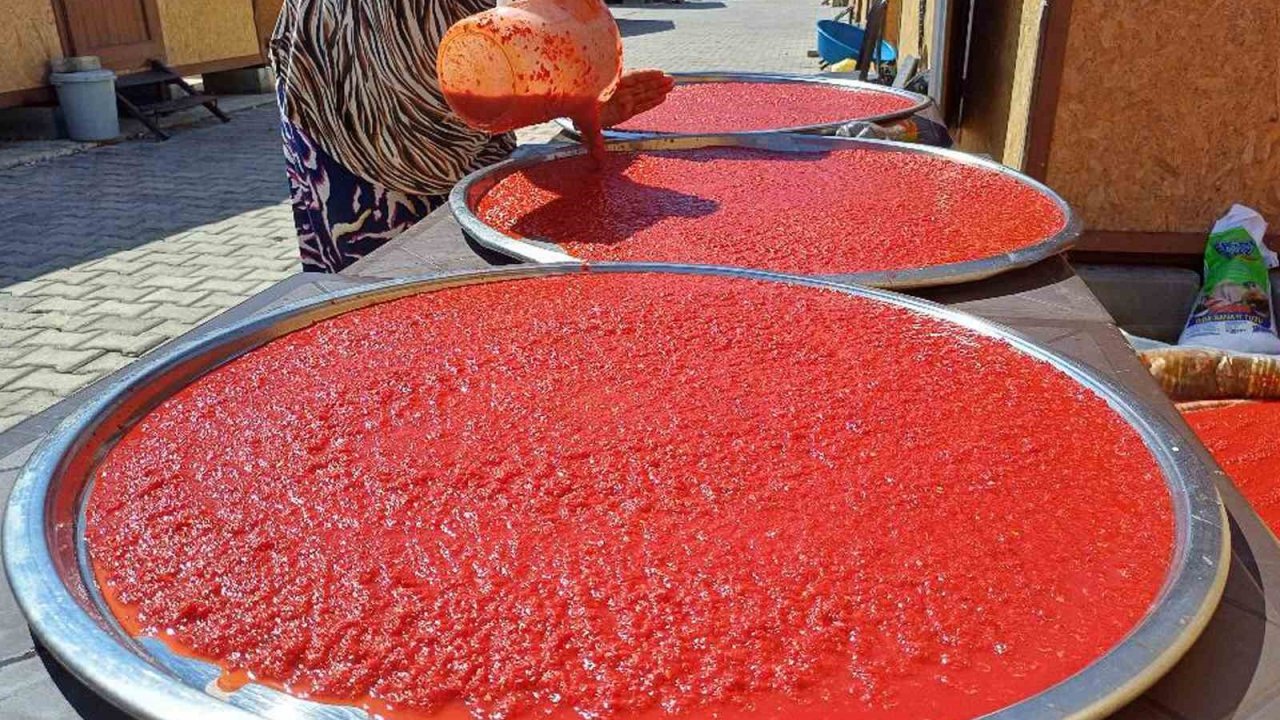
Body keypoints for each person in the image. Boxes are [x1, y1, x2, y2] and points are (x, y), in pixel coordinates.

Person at [270, 0, 673, 273]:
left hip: (460, 55)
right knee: (375, 292)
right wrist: (568, 92)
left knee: (468, 239)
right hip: (347, 99)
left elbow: (553, 19)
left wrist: (577, 89)